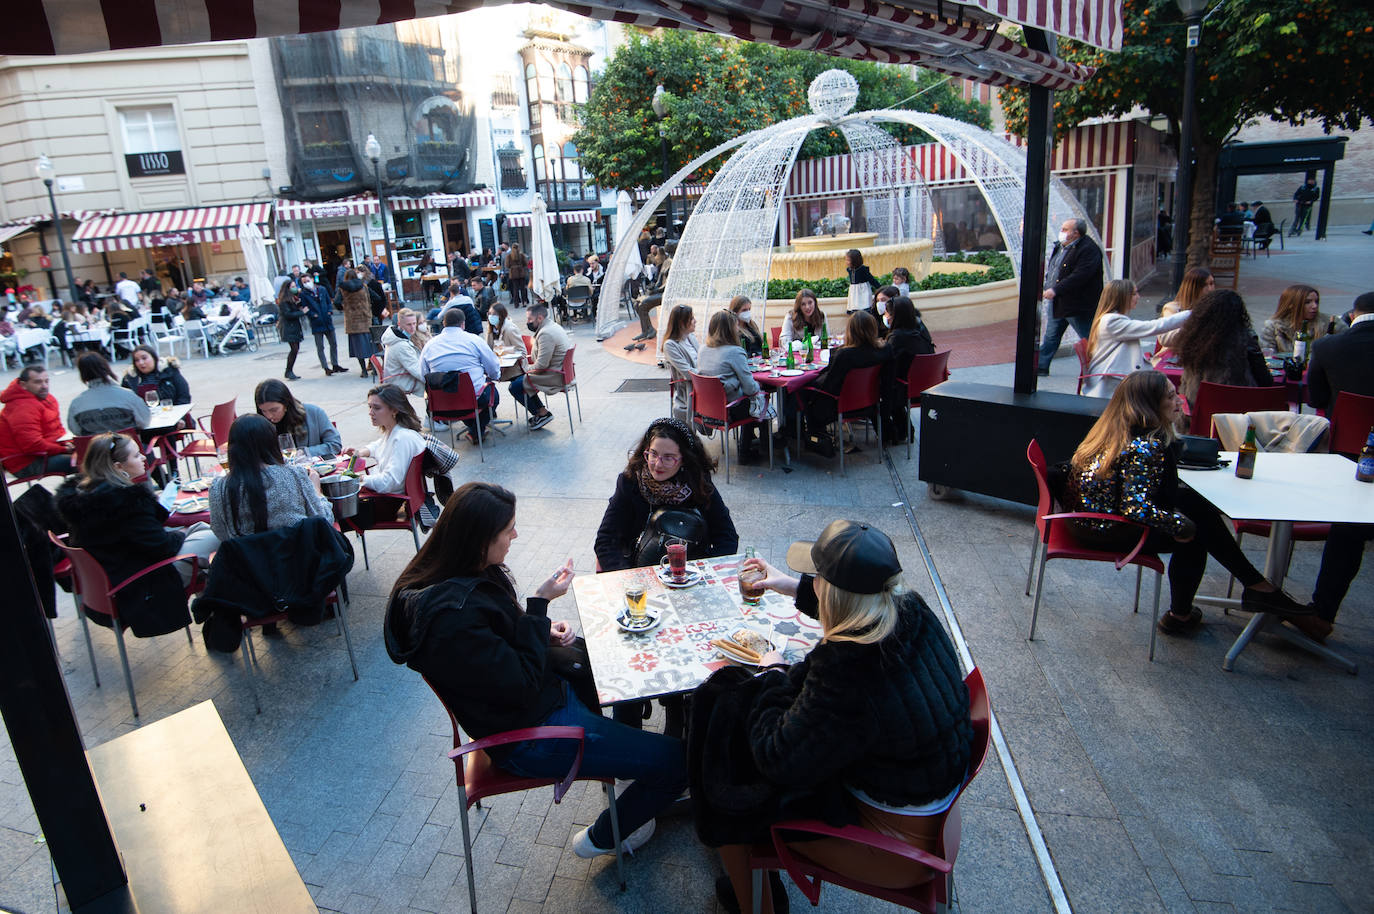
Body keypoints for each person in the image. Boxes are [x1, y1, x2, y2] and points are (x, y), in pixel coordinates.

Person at [384, 481, 685, 861]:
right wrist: (539, 605)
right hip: (529, 737)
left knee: (620, 660)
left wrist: (539, 628)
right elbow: (520, 684)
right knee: (677, 762)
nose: (515, 535)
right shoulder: (451, 620)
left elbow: (496, 649)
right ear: (478, 539)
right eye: (507, 529)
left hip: (535, 705)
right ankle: (603, 836)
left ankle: (629, 766)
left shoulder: (454, 578)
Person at [698, 520, 973, 914]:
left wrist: (773, 675)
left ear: (833, 594)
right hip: (932, 796)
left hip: (895, 844)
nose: (814, 583)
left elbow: (778, 758)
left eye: (818, 581)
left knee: (734, 783)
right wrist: (790, 586)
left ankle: (753, 902)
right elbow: (856, 603)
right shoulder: (910, 607)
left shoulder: (849, 672)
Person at [1065, 370, 1312, 634]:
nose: (1179, 401)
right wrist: (1181, 526)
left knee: (1194, 506)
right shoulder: (1145, 445)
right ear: (1150, 405)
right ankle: (1238, 594)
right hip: (1108, 530)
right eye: (1170, 397)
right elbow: (1134, 507)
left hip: (1087, 521)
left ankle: (1249, 588)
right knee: (1195, 531)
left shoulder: (1113, 431)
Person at [54, 432, 219, 633]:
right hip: (141, 587)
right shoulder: (123, 503)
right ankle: (219, 609)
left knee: (202, 530)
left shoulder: (84, 497)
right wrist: (180, 533)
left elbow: (143, 539)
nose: (144, 458)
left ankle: (211, 605)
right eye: (135, 455)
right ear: (118, 467)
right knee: (217, 538)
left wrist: (181, 531)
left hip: (112, 579)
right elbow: (161, 547)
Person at [1300, 291, 1374, 640]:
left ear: (1353, 314)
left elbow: (1315, 400)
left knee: (1348, 531)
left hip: (1347, 459)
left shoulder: (1327, 347)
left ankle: (1323, 614)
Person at [594, 417, 738, 572]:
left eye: (668, 458)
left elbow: (727, 537)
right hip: (638, 569)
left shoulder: (698, 484)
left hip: (688, 573)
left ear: (684, 459)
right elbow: (606, 539)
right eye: (653, 454)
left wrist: (700, 572)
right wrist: (629, 577)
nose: (658, 464)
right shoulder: (630, 482)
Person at [208, 414, 331, 541]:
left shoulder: (219, 488)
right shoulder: (294, 475)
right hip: (301, 557)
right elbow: (324, 521)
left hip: (250, 559)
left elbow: (221, 534)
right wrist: (317, 491)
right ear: (272, 442)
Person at [799, 310, 892, 456]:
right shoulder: (884, 349)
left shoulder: (845, 355)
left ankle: (811, 437)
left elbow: (829, 385)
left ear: (851, 331)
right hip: (870, 403)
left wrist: (808, 382)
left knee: (804, 393)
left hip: (840, 406)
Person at [1081, 280, 1190, 398]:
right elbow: (1154, 327)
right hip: (1110, 384)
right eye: (1134, 294)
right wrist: (1191, 313)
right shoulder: (1111, 321)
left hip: (1115, 379)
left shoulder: (1112, 319)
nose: (1138, 296)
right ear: (1122, 297)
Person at [1172, 289, 1275, 405]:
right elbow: (1266, 381)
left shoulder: (1193, 339)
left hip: (1196, 410)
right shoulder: (1246, 340)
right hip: (1239, 415)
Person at [696, 311, 766, 463]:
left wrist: (733, 382)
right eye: (735, 326)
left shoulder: (702, 349)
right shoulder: (735, 352)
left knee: (750, 401)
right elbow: (751, 389)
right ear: (730, 329)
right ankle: (749, 451)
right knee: (762, 404)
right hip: (728, 410)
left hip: (706, 410)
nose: (738, 329)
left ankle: (751, 446)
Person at [421, 309, 500, 443]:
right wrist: (494, 376)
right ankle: (476, 430)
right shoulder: (473, 340)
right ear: (463, 324)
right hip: (471, 401)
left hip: (442, 403)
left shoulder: (430, 345)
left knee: (464, 394)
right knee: (492, 394)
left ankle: (475, 430)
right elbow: (493, 367)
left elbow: (424, 376)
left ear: (443, 324)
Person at [1037, 218, 1104, 376]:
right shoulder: (1061, 246)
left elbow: (1080, 275)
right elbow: (1054, 268)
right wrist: (1049, 285)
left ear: (1076, 233)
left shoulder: (1089, 249)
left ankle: (1100, 366)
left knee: (1087, 337)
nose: (1062, 232)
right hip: (1058, 301)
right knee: (1051, 336)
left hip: (1077, 304)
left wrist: (1056, 289)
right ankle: (1040, 367)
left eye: (1065, 229)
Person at [343, 384, 426, 500]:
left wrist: (359, 478)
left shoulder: (403, 438)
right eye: (370, 407)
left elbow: (388, 483)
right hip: (389, 497)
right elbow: (379, 445)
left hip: (390, 501)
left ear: (394, 410)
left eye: (376, 408)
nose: (370, 412)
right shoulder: (395, 432)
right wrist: (360, 452)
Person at [0, 365, 73, 477]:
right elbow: (32, 444)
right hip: (26, 463)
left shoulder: (46, 399)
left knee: (93, 455)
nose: (44, 386)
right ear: (23, 385)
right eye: (38, 382)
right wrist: (62, 449)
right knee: (90, 462)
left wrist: (69, 444)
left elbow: (57, 431)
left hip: (43, 454)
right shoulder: (22, 407)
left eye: (46, 381)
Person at [883, 296, 935, 443]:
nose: (886, 317)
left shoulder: (898, 337)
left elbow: (887, 361)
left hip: (906, 388)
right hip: (928, 384)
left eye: (887, 313)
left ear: (895, 316)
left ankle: (896, 431)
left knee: (883, 384)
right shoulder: (921, 329)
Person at [511, 303, 569, 432]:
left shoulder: (546, 333)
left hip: (553, 375)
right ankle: (541, 411)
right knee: (519, 380)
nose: (527, 322)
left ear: (540, 318)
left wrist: (526, 369)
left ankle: (542, 413)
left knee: (515, 386)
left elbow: (542, 365)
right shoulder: (552, 326)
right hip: (558, 371)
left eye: (529, 319)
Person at [68, 352, 150, 435]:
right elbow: (144, 422)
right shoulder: (128, 396)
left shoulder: (76, 404)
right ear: (106, 367)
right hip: (128, 445)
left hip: (95, 447)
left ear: (82, 374)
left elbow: (76, 431)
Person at [254, 379, 342, 457]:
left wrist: (306, 452)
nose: (269, 416)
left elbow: (335, 444)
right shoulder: (259, 423)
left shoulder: (313, 413)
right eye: (264, 411)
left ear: (286, 404)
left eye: (274, 410)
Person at [1259, 284, 1343, 354]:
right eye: (1308, 302)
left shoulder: (1331, 322)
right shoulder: (1273, 326)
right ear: (1291, 305)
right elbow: (1267, 356)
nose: (1315, 306)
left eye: (1316, 301)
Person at [1153, 267, 1213, 357]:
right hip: (1175, 358)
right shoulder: (1172, 308)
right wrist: (1194, 324)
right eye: (1205, 285)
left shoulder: (1213, 307)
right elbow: (1165, 339)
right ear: (1193, 288)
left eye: (1212, 283)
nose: (1210, 289)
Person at [660, 305, 699, 424]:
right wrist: (708, 375)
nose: (695, 321)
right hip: (690, 389)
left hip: (702, 383)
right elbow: (687, 373)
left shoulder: (691, 337)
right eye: (692, 318)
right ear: (682, 323)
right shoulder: (670, 345)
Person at [334, 269, 376, 378]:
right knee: (370, 345)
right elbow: (376, 297)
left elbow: (337, 302)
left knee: (358, 348)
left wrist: (344, 308)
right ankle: (375, 368)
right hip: (365, 319)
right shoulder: (363, 286)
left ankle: (364, 371)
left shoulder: (342, 289)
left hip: (352, 322)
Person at [301, 274, 345, 375]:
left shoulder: (321, 289)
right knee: (320, 346)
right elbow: (305, 308)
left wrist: (329, 311)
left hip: (327, 320)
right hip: (317, 322)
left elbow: (328, 301)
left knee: (333, 343)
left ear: (312, 279)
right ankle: (325, 367)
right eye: (304, 282)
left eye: (307, 280)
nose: (306, 283)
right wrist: (313, 315)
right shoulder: (304, 294)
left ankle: (335, 364)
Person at [381, 308, 430, 397]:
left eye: (414, 323)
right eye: (409, 324)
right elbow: (417, 371)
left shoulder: (397, 337)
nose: (412, 328)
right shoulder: (401, 345)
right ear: (399, 324)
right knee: (436, 386)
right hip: (401, 382)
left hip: (399, 378)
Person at [121, 345, 190, 405]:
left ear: (154, 358)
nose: (141, 363)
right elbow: (124, 402)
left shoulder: (169, 372)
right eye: (137, 360)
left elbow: (184, 397)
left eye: (144, 358)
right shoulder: (130, 378)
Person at [276, 281, 308, 380]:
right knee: (294, 349)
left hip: (293, 327)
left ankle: (289, 370)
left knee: (295, 349)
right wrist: (301, 312)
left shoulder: (292, 298)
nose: (295, 288)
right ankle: (288, 371)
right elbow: (288, 314)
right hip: (288, 327)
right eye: (293, 286)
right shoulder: (284, 301)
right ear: (287, 288)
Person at [844, 249, 876, 319]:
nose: (846, 262)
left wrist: (880, 287)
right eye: (846, 260)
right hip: (854, 291)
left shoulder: (863, 269)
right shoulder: (849, 270)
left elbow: (871, 279)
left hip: (863, 290)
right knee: (854, 306)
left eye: (848, 260)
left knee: (864, 305)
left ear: (855, 260)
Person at [506, 242, 529, 307]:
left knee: (515, 289)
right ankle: (524, 302)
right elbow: (525, 263)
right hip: (521, 272)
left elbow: (507, 265)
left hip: (513, 273)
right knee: (523, 288)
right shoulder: (521, 255)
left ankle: (516, 303)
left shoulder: (509, 256)